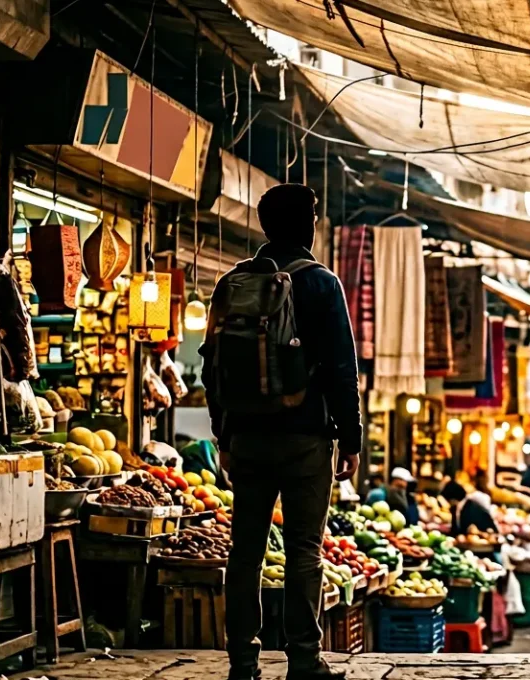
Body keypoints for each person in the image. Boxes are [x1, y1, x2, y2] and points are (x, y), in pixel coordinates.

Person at [202, 184, 360, 680]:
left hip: (246, 437)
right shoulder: (320, 283)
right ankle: (304, 660)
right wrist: (351, 439)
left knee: (244, 551)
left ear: (265, 225)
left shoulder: (234, 282)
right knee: (304, 550)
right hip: (305, 437)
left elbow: (212, 368)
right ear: (308, 224)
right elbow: (340, 366)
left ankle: (243, 662)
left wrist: (224, 435)